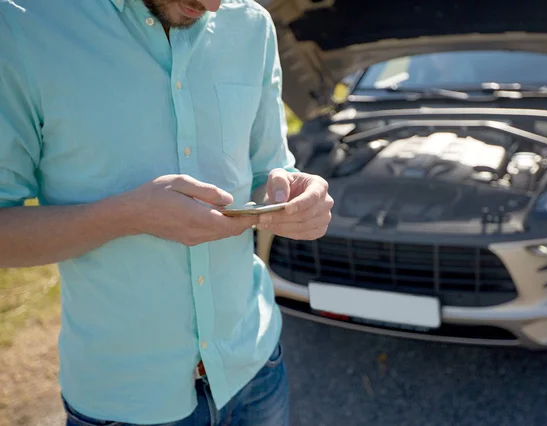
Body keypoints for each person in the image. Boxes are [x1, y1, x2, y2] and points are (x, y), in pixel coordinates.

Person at [0, 0, 333, 425]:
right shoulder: (24, 26)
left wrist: (300, 192)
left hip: (256, 370)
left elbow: (268, 169)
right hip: (124, 403)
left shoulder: (252, 25)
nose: (213, 6)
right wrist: (128, 216)